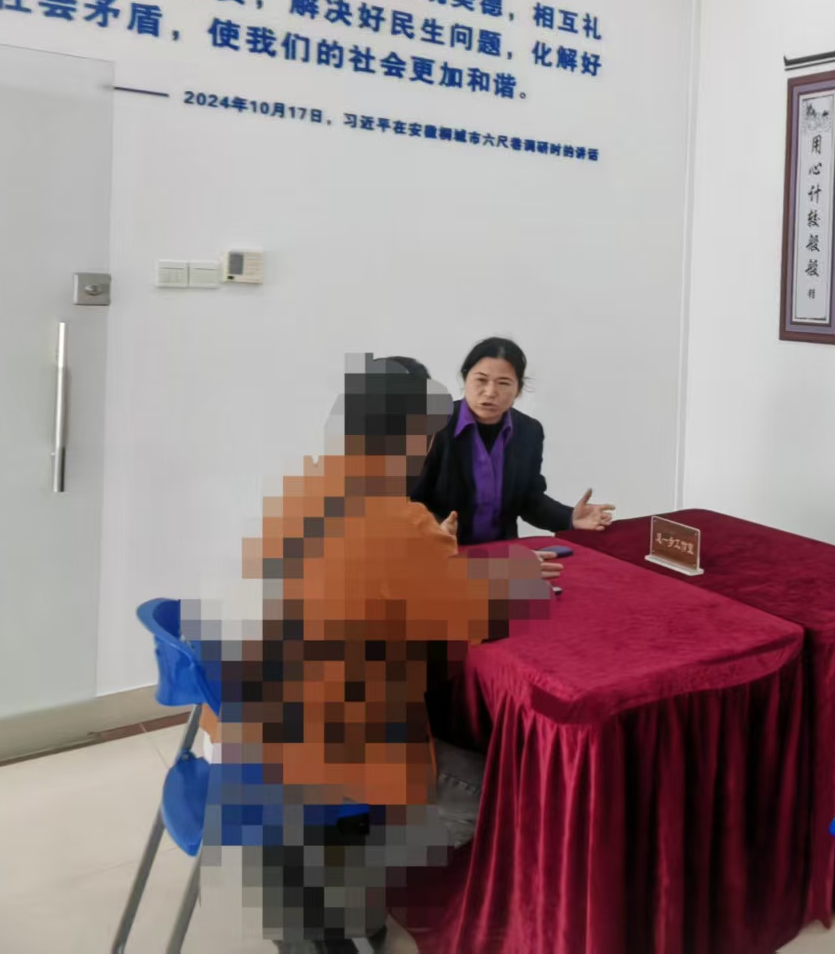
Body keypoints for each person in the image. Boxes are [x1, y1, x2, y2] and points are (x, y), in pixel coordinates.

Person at [203, 355, 553, 953]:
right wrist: (512, 580)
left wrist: (432, 557)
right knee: (500, 792)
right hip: (329, 752)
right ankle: (347, 883)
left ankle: (311, 888)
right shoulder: (398, 519)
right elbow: (469, 623)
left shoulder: (299, 492)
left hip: (246, 730)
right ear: (413, 439)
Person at [410, 336, 615, 545]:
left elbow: (530, 501)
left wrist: (570, 518)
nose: (490, 392)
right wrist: (434, 527)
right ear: (465, 379)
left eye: (504, 383)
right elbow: (407, 501)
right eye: (481, 380)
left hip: (502, 552)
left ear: (518, 390)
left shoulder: (528, 431)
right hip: (441, 552)